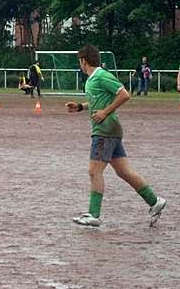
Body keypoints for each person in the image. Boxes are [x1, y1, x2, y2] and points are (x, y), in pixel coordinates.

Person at [66, 45, 166, 227]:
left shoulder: (101, 75)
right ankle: (155, 201)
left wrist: (105, 112)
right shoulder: (93, 78)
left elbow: (124, 94)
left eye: (79, 61)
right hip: (110, 129)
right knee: (123, 171)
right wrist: (81, 107)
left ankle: (93, 215)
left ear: (83, 60)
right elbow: (101, 99)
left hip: (105, 129)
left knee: (94, 171)